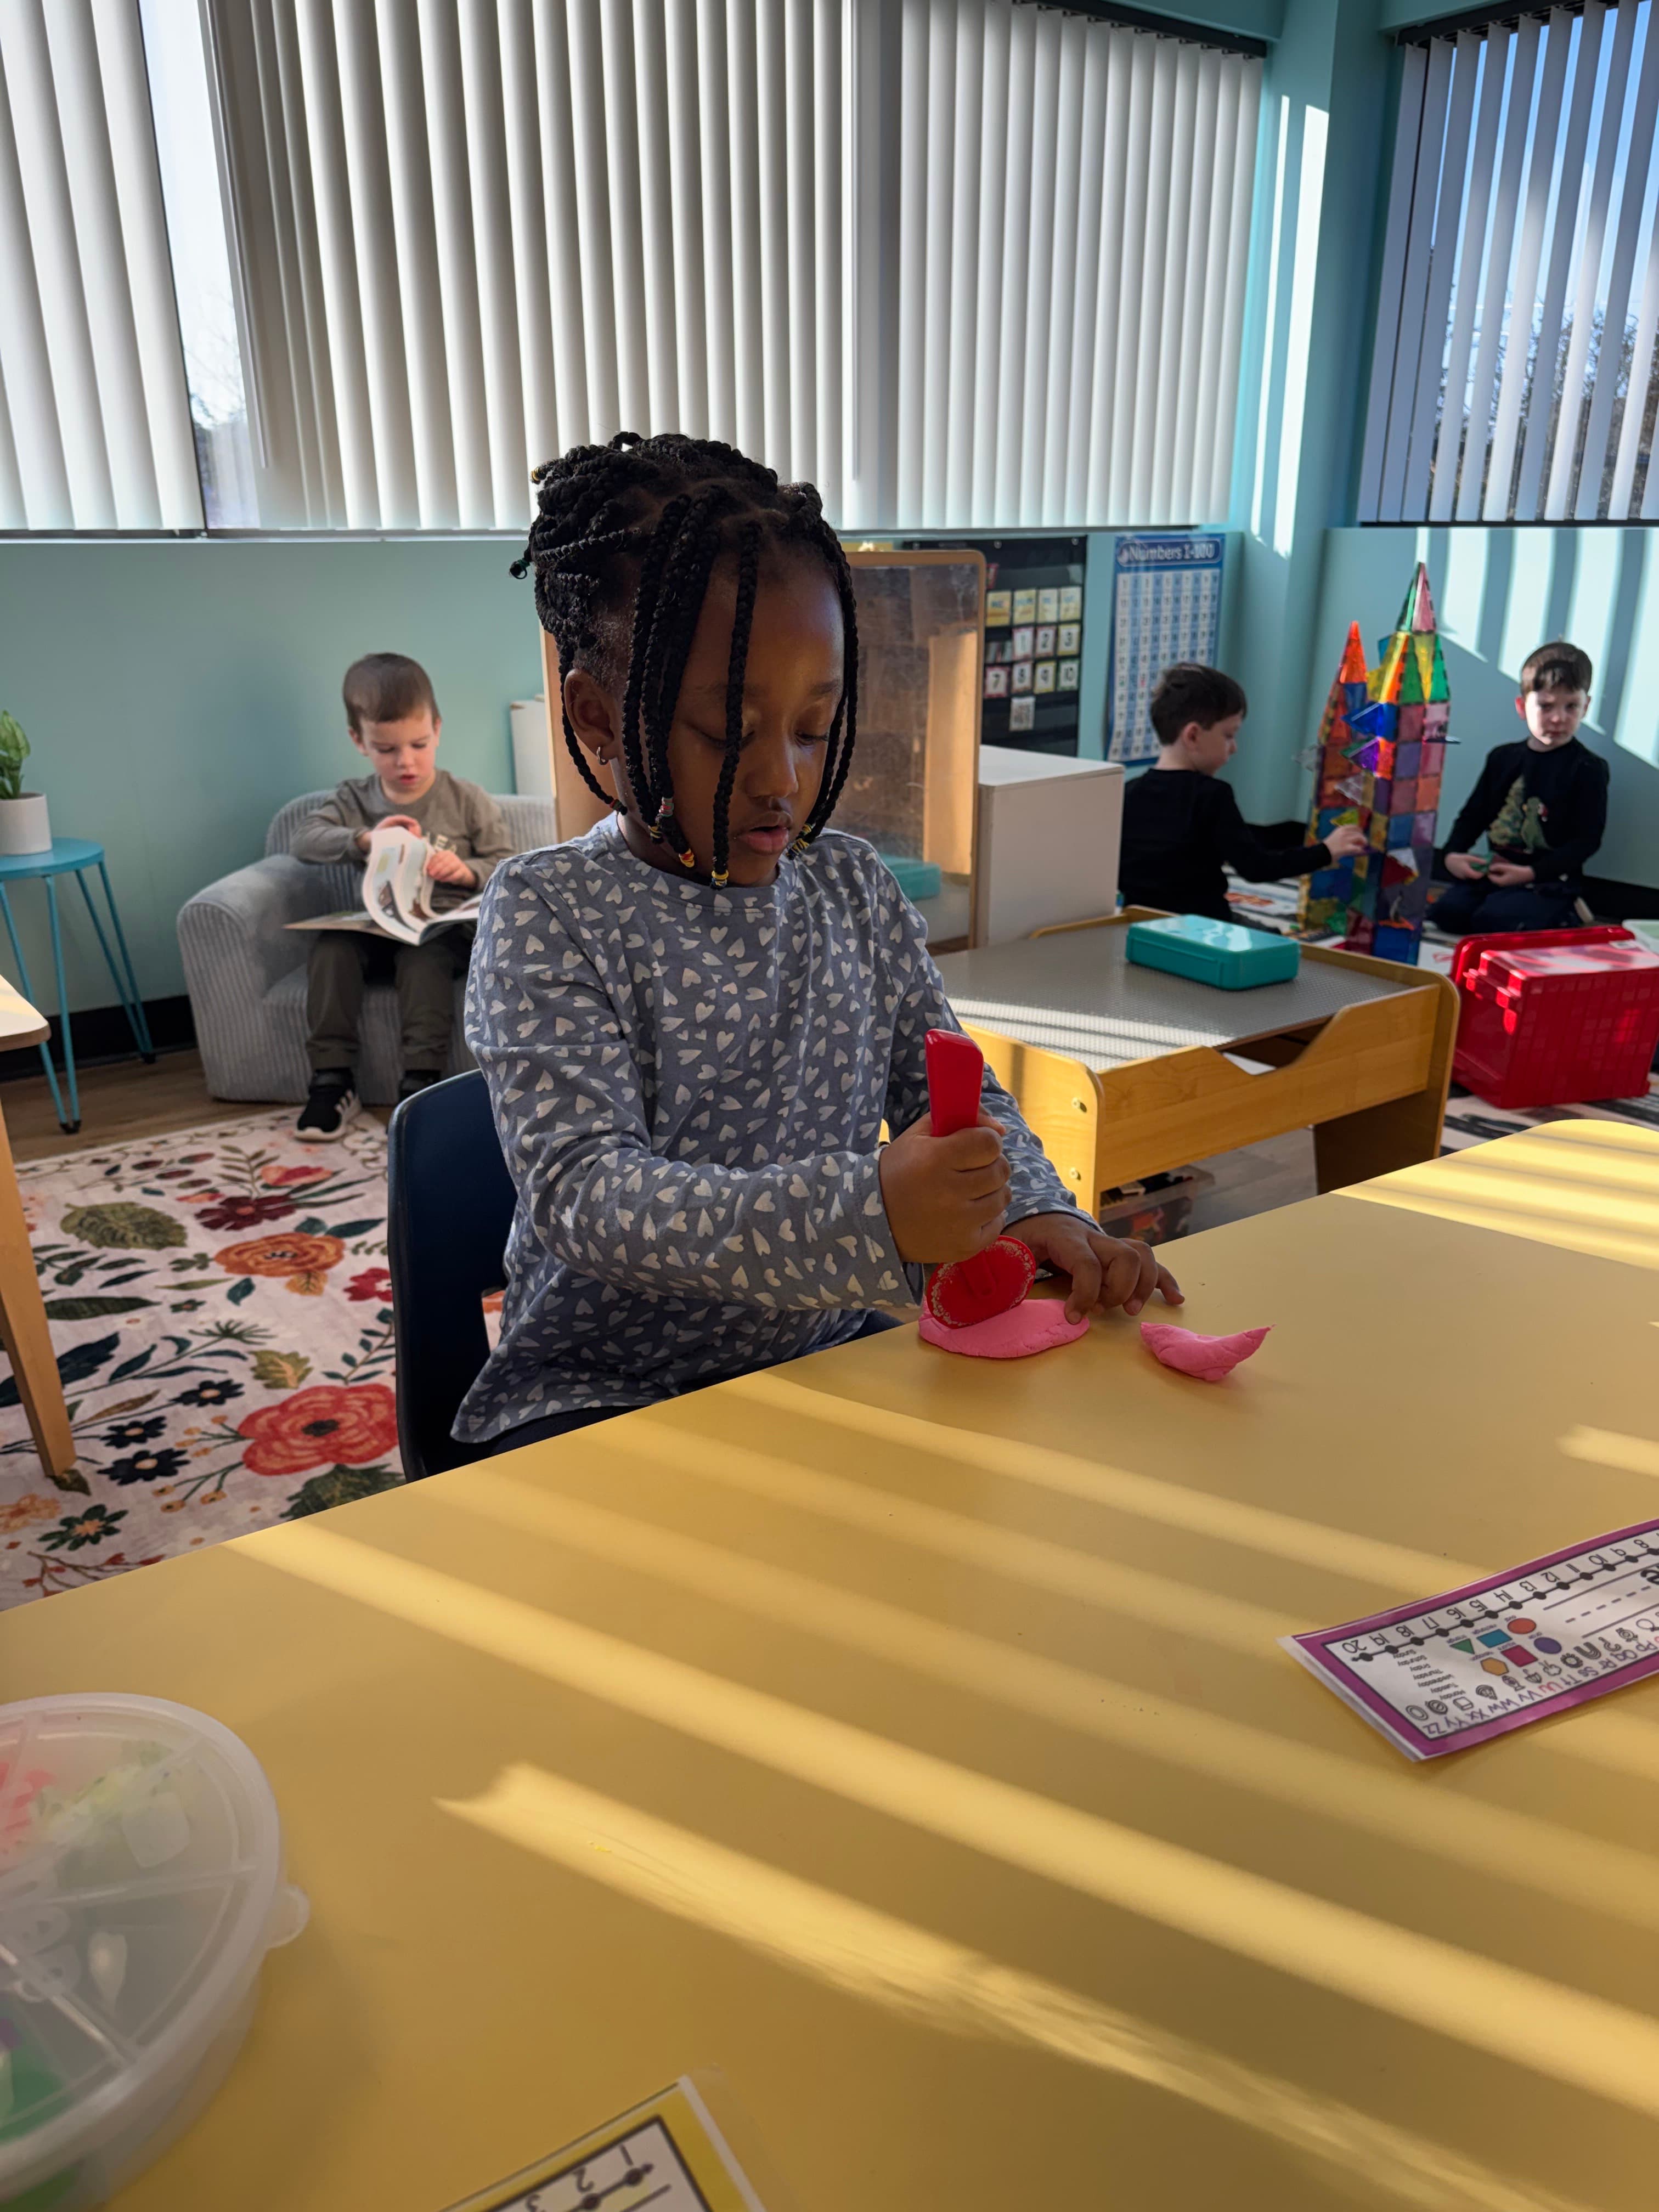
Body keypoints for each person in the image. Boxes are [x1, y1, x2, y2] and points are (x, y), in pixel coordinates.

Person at [458, 432, 1182, 1454]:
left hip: (821, 1357)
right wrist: (869, 1209)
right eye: (727, 732)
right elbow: (586, 1198)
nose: (782, 779)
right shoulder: (548, 912)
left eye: (812, 728)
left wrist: (1027, 1206)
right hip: (599, 1393)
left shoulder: (851, 888)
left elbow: (952, 1092)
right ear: (597, 717)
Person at [290, 653, 514, 1139]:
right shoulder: (354, 799)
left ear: (437, 729)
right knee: (331, 950)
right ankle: (331, 1081)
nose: (406, 761)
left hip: (442, 933)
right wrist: (364, 839)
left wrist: (468, 871)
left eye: (419, 744)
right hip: (377, 928)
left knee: (423, 959)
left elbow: (508, 864)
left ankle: (421, 1085)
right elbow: (304, 839)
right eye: (386, 749)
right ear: (359, 741)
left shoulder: (466, 798)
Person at [1118, 663, 1367, 924]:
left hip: (1140, 926)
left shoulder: (1129, 792)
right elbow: (1257, 867)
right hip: (1201, 931)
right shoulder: (1213, 795)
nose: (1234, 748)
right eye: (1229, 735)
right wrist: (1327, 851)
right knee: (1274, 938)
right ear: (1193, 736)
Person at [1434, 641, 1607, 936]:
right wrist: (1452, 854)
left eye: (1571, 707)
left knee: (1497, 922)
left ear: (1586, 707)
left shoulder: (1588, 768)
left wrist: (1530, 873)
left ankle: (1567, 911)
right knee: (1447, 913)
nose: (1558, 718)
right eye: (1546, 706)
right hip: (1497, 870)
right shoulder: (1503, 758)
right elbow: (1474, 814)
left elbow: (1586, 841)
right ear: (1522, 707)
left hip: (1548, 879)